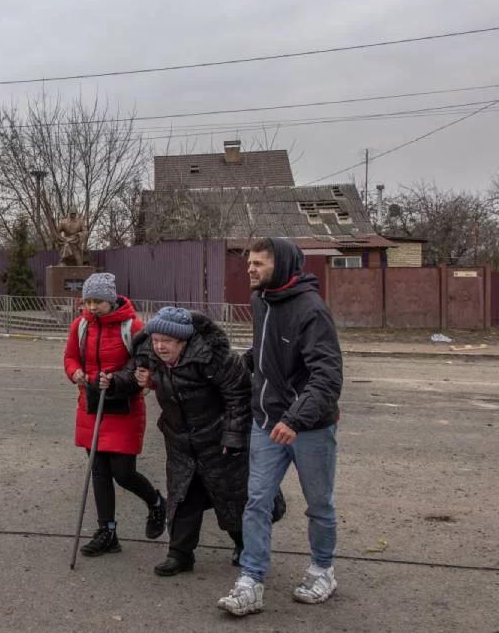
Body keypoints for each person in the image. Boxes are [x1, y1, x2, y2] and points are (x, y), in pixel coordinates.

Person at [218, 237, 343, 617]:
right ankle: (251, 580)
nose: (250, 269)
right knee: (256, 501)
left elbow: (327, 376)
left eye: (259, 264)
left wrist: (295, 419)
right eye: (250, 263)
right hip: (266, 421)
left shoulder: (311, 310)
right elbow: (267, 350)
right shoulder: (261, 301)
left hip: (310, 428)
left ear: (283, 265)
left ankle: (322, 570)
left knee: (319, 504)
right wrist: (242, 363)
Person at [107, 307, 254, 577]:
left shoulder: (214, 357)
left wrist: (234, 435)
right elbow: (130, 376)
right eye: (156, 339)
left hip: (216, 437)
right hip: (179, 440)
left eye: (167, 341)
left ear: (183, 342)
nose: (159, 346)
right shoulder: (149, 352)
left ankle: (245, 545)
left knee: (229, 496)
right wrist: (113, 381)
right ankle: (180, 553)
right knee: (183, 496)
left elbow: (240, 394)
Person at [63, 272, 165, 557]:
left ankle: (156, 502)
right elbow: (70, 357)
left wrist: (121, 379)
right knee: (98, 471)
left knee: (123, 473)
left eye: (98, 301)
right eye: (88, 301)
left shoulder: (133, 327)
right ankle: (107, 531)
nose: (92, 307)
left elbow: (145, 364)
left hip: (124, 407)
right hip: (91, 405)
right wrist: (76, 373)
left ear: (111, 300)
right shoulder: (80, 326)